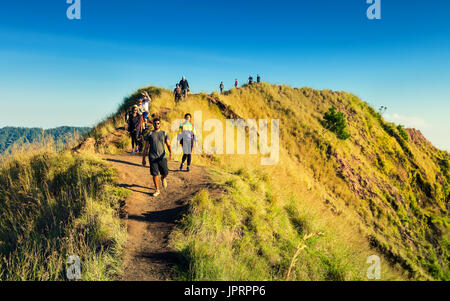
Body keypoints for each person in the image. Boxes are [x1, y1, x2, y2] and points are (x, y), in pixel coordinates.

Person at [142, 118, 173, 197]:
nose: (157, 125)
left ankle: (163, 178)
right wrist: (143, 158)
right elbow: (146, 147)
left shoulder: (164, 133)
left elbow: (168, 144)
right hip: (152, 157)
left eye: (158, 123)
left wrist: (171, 152)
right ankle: (157, 189)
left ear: (160, 124)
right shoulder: (150, 134)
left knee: (166, 172)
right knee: (155, 174)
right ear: (153, 124)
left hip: (162, 157)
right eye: (155, 123)